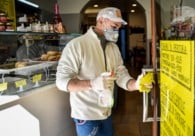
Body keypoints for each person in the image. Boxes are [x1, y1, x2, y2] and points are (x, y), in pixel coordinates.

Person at [56, 7, 151, 136]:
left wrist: (135, 84)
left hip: (106, 112)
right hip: (87, 115)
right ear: (101, 21)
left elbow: (120, 73)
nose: (117, 30)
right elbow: (62, 82)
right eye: (114, 26)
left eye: (118, 27)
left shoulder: (113, 48)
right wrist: (92, 83)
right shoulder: (76, 45)